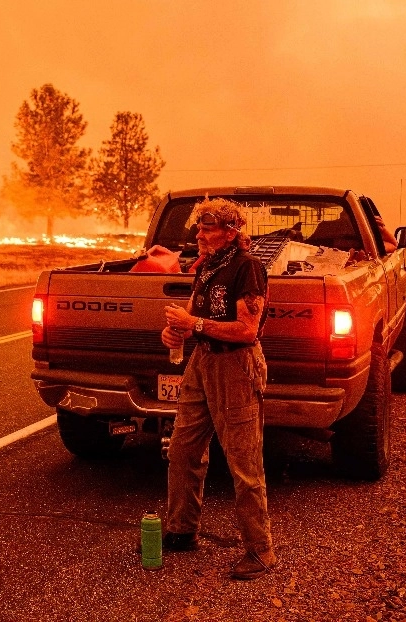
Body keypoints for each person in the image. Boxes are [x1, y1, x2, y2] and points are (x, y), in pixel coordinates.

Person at [160, 197, 275, 580]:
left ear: (231, 231)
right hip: (203, 361)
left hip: (236, 366)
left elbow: (247, 330)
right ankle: (181, 530)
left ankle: (260, 552)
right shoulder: (207, 266)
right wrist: (173, 331)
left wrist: (192, 324)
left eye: (207, 228)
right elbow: (196, 314)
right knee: (183, 448)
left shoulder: (248, 268)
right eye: (199, 227)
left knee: (243, 461)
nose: (200, 233)